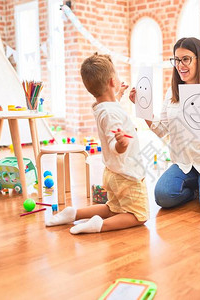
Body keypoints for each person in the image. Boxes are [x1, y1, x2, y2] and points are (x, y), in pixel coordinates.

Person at [129, 37, 200, 217]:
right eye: (176, 60)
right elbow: (162, 130)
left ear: (199, 60)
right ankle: (198, 191)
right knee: (163, 196)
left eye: (186, 59)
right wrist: (143, 109)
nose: (180, 65)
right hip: (183, 163)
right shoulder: (172, 93)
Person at [45, 53, 149, 234]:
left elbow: (110, 106)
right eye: (115, 75)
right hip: (127, 174)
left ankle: (73, 214)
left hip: (113, 173)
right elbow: (112, 143)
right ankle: (98, 225)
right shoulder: (111, 114)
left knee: (112, 209)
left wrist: (118, 94)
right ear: (111, 81)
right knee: (139, 215)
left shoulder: (101, 106)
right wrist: (121, 145)